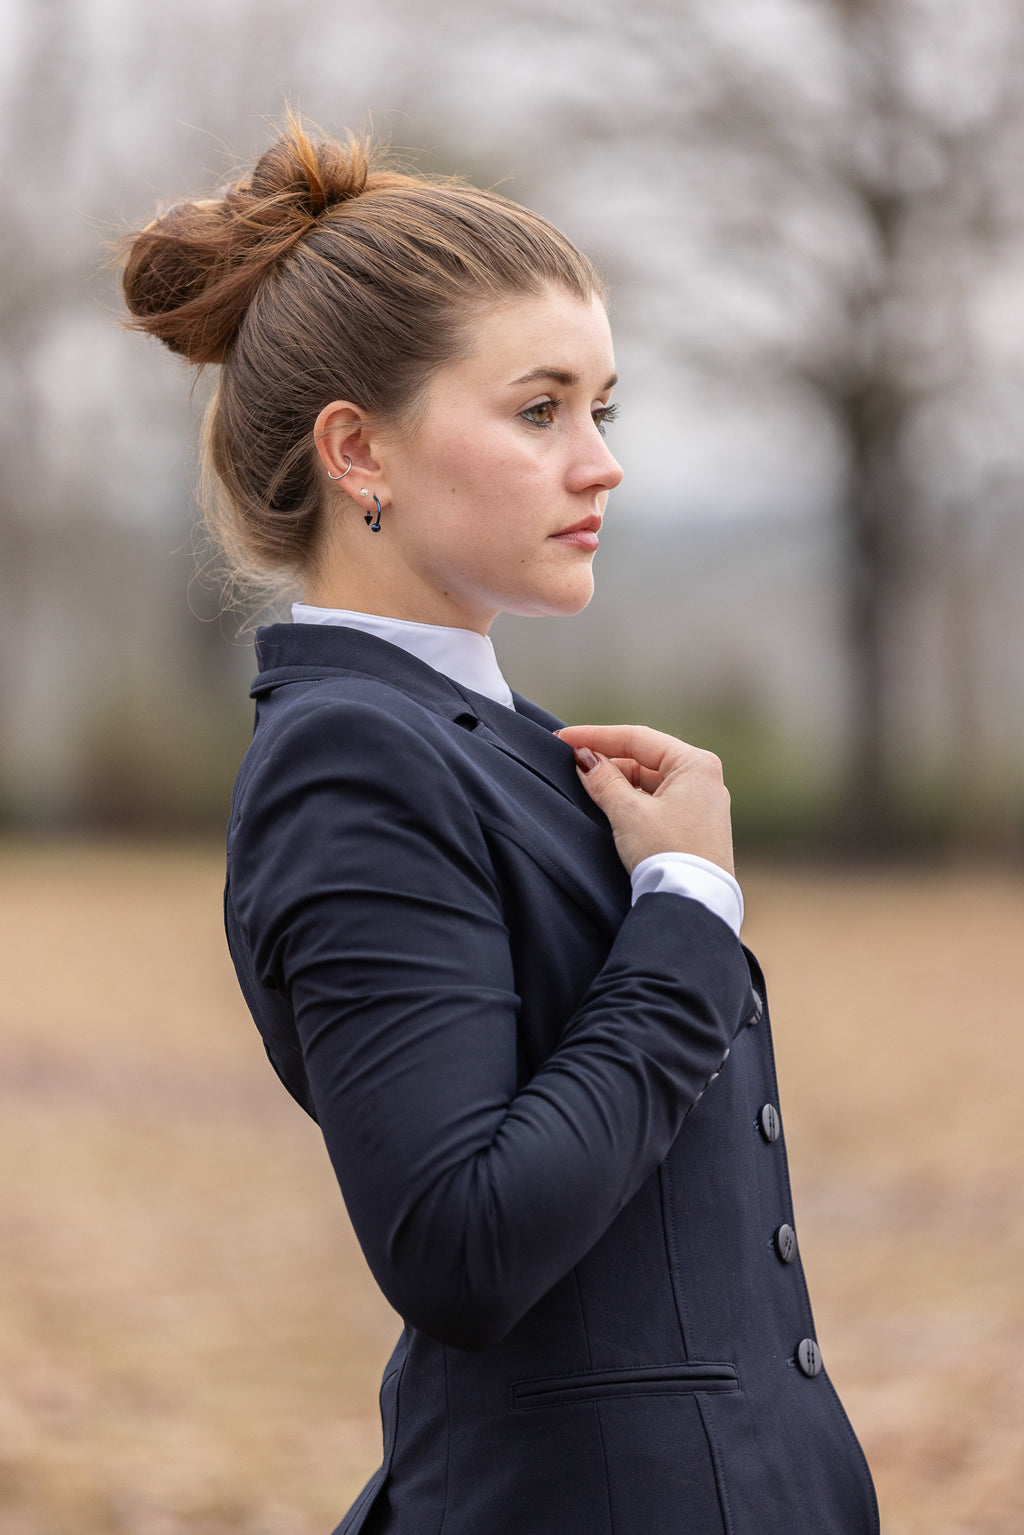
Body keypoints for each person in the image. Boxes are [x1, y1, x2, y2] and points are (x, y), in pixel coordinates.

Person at [121, 113, 878, 1535]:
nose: (601, 463)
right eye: (540, 411)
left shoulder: (500, 750)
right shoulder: (351, 762)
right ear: (360, 452)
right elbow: (461, 1241)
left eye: (605, 408)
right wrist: (688, 913)